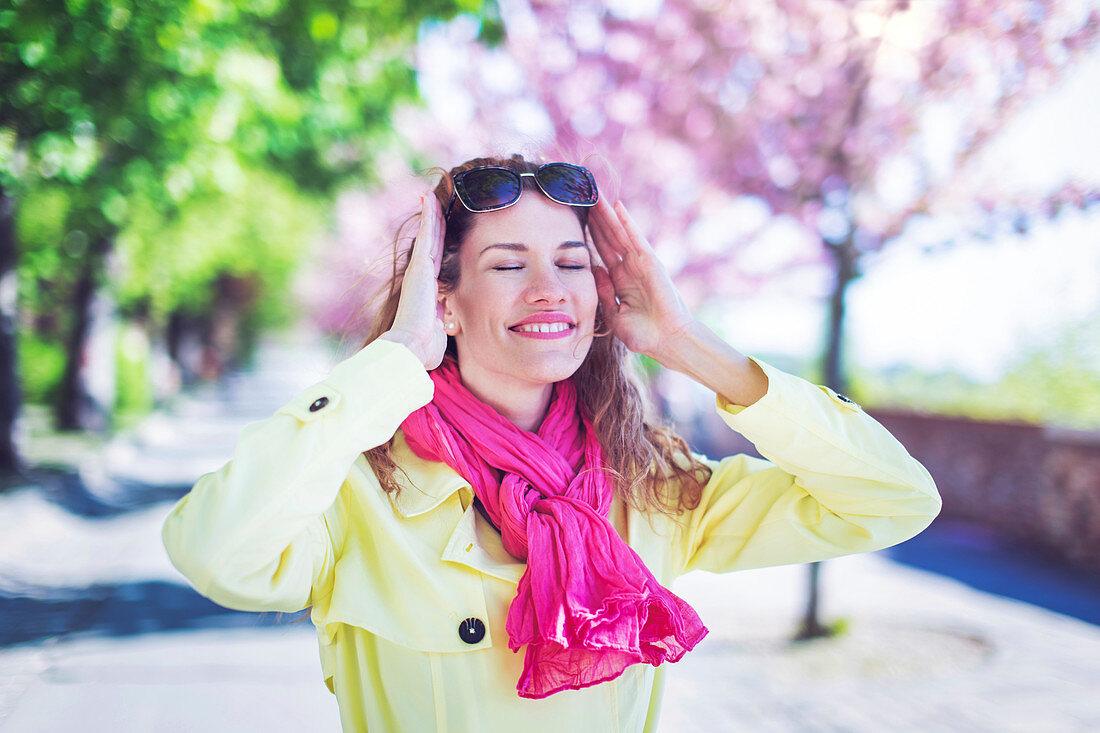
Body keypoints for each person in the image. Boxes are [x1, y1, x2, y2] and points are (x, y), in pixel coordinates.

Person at [162, 154, 942, 732]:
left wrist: (686, 341)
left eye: (571, 263)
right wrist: (392, 366)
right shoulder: (357, 488)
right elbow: (214, 551)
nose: (549, 289)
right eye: (508, 264)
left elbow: (894, 499)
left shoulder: (650, 485)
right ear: (445, 306)